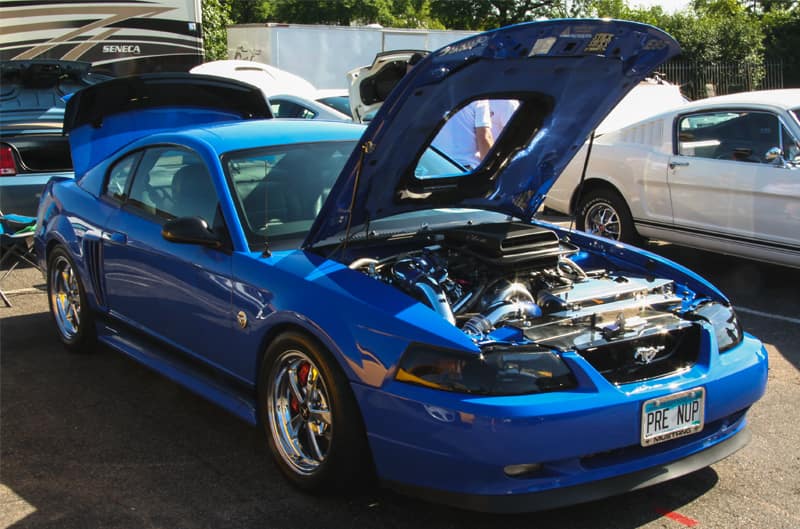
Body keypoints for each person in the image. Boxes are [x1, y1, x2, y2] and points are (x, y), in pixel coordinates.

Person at [432, 99, 494, 169]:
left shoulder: (432, 95)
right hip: (463, 169)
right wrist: (493, 167)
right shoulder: (479, 99)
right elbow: (485, 137)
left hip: (431, 166)